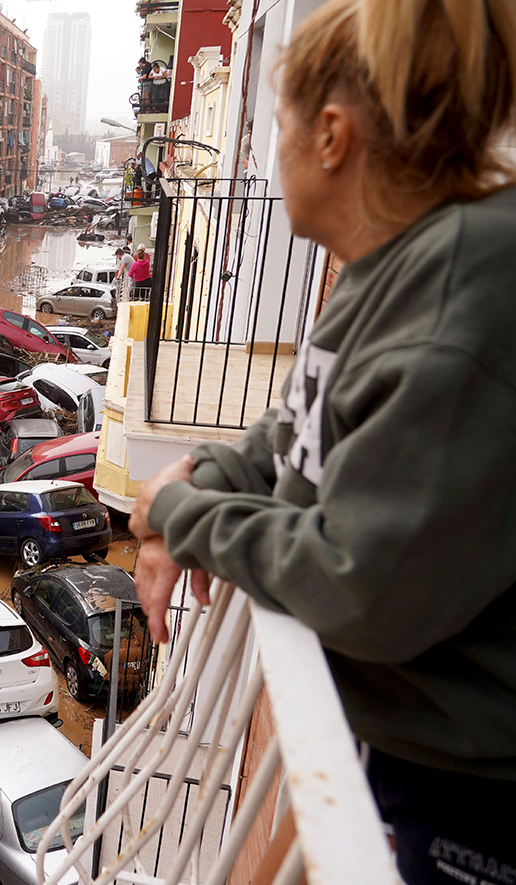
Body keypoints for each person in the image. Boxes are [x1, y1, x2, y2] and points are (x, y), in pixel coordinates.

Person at [126, 2, 516, 883]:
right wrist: (202, 475)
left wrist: (179, 511)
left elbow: (361, 580)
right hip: (416, 754)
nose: (271, 154)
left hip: (475, 801)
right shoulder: (397, 266)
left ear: (332, 136)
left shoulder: (464, 294)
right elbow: (294, 427)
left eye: (279, 127)